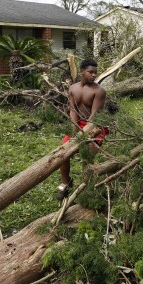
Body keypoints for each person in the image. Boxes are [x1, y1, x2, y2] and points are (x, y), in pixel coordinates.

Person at [57, 58, 108, 199]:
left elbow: (94, 115)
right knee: (63, 153)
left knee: (87, 155)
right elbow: (73, 110)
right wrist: (74, 131)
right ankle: (66, 183)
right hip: (78, 125)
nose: (94, 75)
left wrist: (83, 136)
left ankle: (86, 185)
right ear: (82, 72)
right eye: (90, 72)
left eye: (95, 72)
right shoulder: (72, 88)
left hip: (94, 126)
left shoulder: (99, 91)